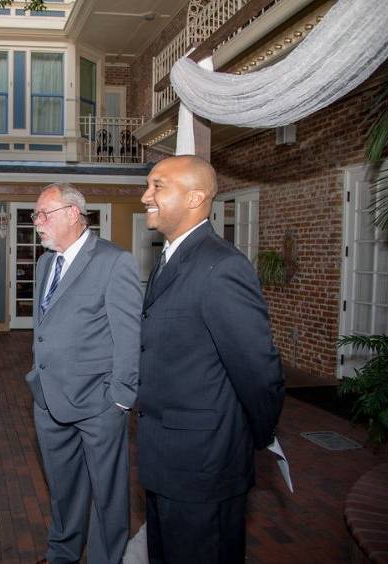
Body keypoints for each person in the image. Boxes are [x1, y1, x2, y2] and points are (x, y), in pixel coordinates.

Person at [137, 155, 285, 563]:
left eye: (158, 186)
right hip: (165, 460)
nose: (146, 195)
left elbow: (258, 373)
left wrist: (252, 435)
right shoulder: (170, 259)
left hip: (204, 466)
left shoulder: (222, 267)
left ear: (195, 197)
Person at [25, 183, 141, 564]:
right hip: (49, 401)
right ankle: (63, 554)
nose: (37, 222)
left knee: (108, 494)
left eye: (45, 213)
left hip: (99, 405)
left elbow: (129, 336)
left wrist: (119, 399)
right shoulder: (45, 263)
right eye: (35, 215)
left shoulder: (113, 261)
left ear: (73, 214)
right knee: (63, 488)